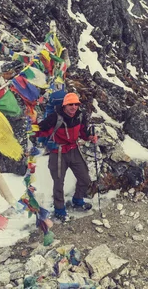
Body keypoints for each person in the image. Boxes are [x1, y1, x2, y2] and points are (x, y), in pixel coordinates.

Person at [35, 92, 98, 221]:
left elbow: (83, 133)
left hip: (74, 149)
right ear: (64, 105)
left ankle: (78, 199)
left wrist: (90, 137)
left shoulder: (80, 116)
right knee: (58, 182)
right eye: (70, 104)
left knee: (85, 178)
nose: (74, 107)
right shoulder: (54, 118)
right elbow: (39, 130)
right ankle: (59, 209)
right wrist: (30, 122)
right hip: (58, 152)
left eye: (76, 104)